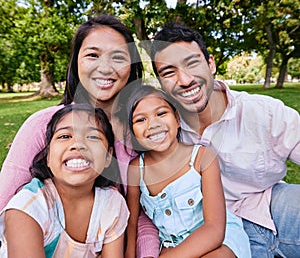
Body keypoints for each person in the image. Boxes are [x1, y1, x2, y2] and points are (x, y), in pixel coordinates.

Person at [0, 14, 159, 258]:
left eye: (118, 57)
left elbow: (145, 214)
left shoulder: (143, 130)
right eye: (93, 55)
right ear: (76, 62)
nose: (104, 67)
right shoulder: (42, 125)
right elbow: (6, 203)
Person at [150, 22, 300, 257]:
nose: (185, 79)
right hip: (215, 232)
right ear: (161, 83)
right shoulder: (163, 131)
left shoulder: (263, 112)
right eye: (169, 72)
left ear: (210, 64)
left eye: (192, 63)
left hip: (271, 205)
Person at [120, 84, 250, 258]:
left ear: (177, 119)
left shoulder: (202, 158)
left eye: (161, 113)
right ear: (133, 133)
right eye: (140, 120)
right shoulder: (136, 169)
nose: (153, 124)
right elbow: (132, 223)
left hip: (217, 240)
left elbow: (214, 230)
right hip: (171, 243)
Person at [0, 103, 129, 257]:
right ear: (48, 156)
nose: (78, 145)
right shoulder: (28, 208)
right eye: (65, 136)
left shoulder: (112, 204)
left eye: (92, 137)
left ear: (108, 157)